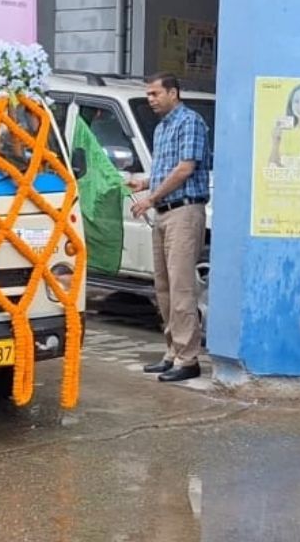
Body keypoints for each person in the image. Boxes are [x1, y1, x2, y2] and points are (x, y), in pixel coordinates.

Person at [126, 73, 211, 382]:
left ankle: (188, 358)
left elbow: (185, 169)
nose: (151, 99)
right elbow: (164, 170)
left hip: (183, 211)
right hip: (163, 212)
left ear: (173, 93)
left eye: (155, 94)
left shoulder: (189, 122)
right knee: (162, 287)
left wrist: (151, 198)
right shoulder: (162, 127)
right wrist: (143, 181)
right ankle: (172, 352)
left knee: (181, 286)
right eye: (148, 94)